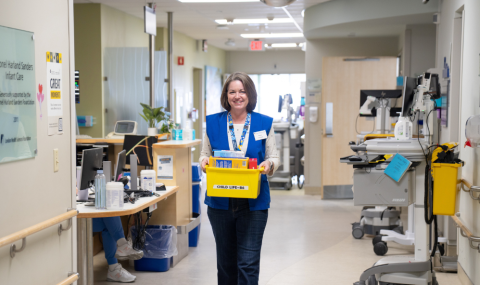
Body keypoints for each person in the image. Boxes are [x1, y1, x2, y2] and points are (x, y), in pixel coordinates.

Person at [199, 71, 279, 285]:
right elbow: (204, 154)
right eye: (232, 91)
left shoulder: (264, 123)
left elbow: (273, 157)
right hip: (220, 202)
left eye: (242, 91)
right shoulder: (213, 123)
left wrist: (268, 164)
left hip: (254, 203)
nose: (237, 96)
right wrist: (204, 162)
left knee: (248, 263)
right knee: (226, 264)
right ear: (226, 95)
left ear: (250, 94)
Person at [92, 217, 144, 283]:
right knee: (109, 221)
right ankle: (122, 246)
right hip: (77, 219)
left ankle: (114, 268)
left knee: (109, 223)